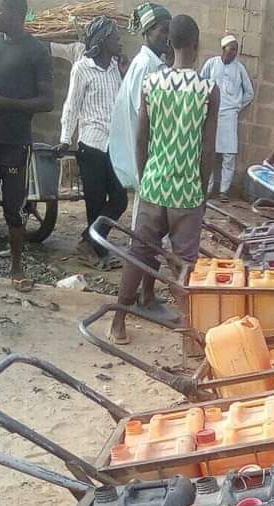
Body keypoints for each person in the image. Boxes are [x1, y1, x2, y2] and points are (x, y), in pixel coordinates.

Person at [109, 14, 218, 344]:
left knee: (139, 254)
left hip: (155, 185)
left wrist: (146, 178)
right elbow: (207, 150)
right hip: (186, 190)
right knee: (185, 265)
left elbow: (141, 138)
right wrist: (201, 190)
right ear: (196, 44)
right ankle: (190, 336)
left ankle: (118, 323)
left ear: (169, 43)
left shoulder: (151, 83)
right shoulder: (208, 90)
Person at [0, 0, 54, 290]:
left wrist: (6, 104)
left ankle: (17, 270)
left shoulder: (36, 51)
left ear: (17, 13)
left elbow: (47, 101)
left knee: (14, 208)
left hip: (14, 143)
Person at [56, 17, 127, 267]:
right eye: (115, 37)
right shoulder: (82, 68)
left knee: (119, 200)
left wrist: (124, 74)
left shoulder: (115, 68)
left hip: (113, 146)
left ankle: (88, 241)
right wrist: (65, 139)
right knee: (95, 203)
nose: (119, 42)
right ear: (103, 40)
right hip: (91, 145)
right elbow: (72, 105)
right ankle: (97, 252)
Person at [109, 2, 171, 213]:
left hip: (147, 155)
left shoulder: (152, 63)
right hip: (147, 154)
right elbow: (145, 115)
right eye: (164, 31)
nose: (168, 37)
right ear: (148, 31)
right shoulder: (146, 65)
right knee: (147, 213)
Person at [200, 35, 254, 202]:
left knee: (229, 155)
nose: (234, 53)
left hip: (230, 116)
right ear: (223, 49)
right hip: (212, 114)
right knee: (209, 152)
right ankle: (207, 189)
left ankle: (224, 191)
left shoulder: (239, 68)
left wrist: (237, 107)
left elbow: (249, 93)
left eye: (236, 50)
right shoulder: (211, 63)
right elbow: (201, 84)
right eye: (231, 49)